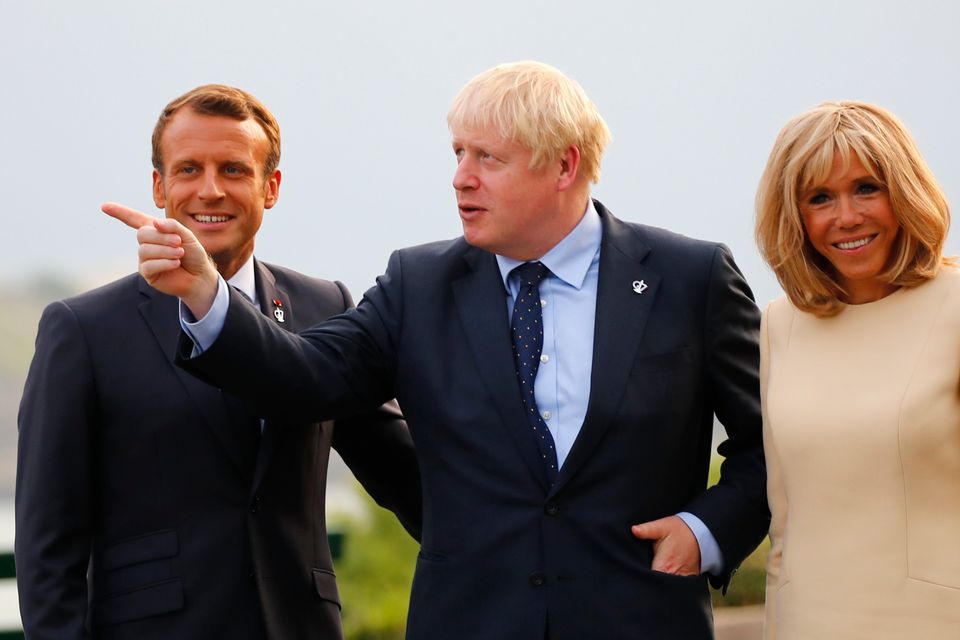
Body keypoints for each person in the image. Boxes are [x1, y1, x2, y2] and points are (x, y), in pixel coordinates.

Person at [108, 62, 769, 639]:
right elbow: (304, 376)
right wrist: (205, 295)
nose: (461, 179)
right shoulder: (416, 285)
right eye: (457, 153)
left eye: (488, 158)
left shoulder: (692, 279)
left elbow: (770, 445)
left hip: (642, 623)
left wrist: (707, 531)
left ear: (564, 164)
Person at [16, 84, 422, 640]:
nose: (210, 191)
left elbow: (407, 476)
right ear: (159, 187)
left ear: (270, 187)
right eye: (188, 170)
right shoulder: (82, 329)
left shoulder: (324, 307)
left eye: (233, 169)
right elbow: (47, 543)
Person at [755, 101, 960, 638]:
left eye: (866, 188)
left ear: (904, 190)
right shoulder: (780, 324)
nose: (846, 217)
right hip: (810, 623)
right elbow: (785, 521)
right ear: (794, 215)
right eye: (820, 198)